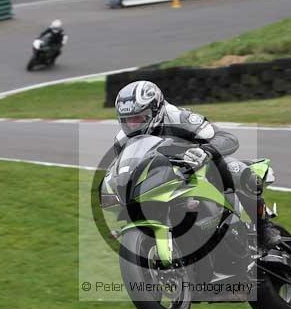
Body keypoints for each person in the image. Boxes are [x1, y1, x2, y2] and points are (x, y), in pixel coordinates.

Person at [113, 80, 280, 246]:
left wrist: (204, 151)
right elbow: (125, 170)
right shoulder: (121, 141)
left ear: (156, 109)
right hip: (162, 180)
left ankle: (264, 226)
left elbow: (228, 139)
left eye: (139, 118)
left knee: (235, 169)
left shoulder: (179, 117)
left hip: (200, 170)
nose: (133, 125)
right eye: (127, 120)